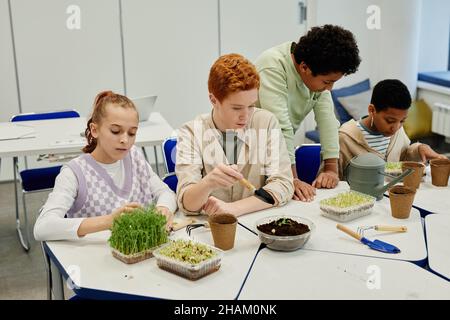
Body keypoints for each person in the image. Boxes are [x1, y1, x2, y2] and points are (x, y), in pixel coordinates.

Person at [34, 91, 177, 241]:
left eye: (132, 133)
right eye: (115, 131)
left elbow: (166, 193)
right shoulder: (74, 173)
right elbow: (42, 227)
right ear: (94, 130)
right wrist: (108, 221)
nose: (125, 140)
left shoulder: (134, 156)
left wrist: (164, 208)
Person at [176, 53, 294, 217]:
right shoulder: (191, 132)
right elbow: (187, 203)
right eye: (237, 108)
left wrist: (235, 209)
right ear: (213, 100)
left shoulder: (266, 122)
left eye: (251, 105)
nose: (245, 116)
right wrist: (208, 183)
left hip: (255, 219)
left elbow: (283, 184)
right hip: (210, 228)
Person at [255, 24, 361, 202]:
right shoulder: (273, 66)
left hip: (277, 152)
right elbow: (281, 128)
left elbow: (328, 121)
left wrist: (331, 169)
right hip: (249, 154)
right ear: (304, 67)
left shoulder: (315, 74)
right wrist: (291, 179)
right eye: (327, 82)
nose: (329, 88)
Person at [338, 79, 448, 178]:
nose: (395, 128)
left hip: (396, 195)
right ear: (372, 110)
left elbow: (403, 158)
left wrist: (419, 149)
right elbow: (335, 177)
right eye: (390, 121)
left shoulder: (398, 129)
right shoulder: (345, 137)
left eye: (402, 121)